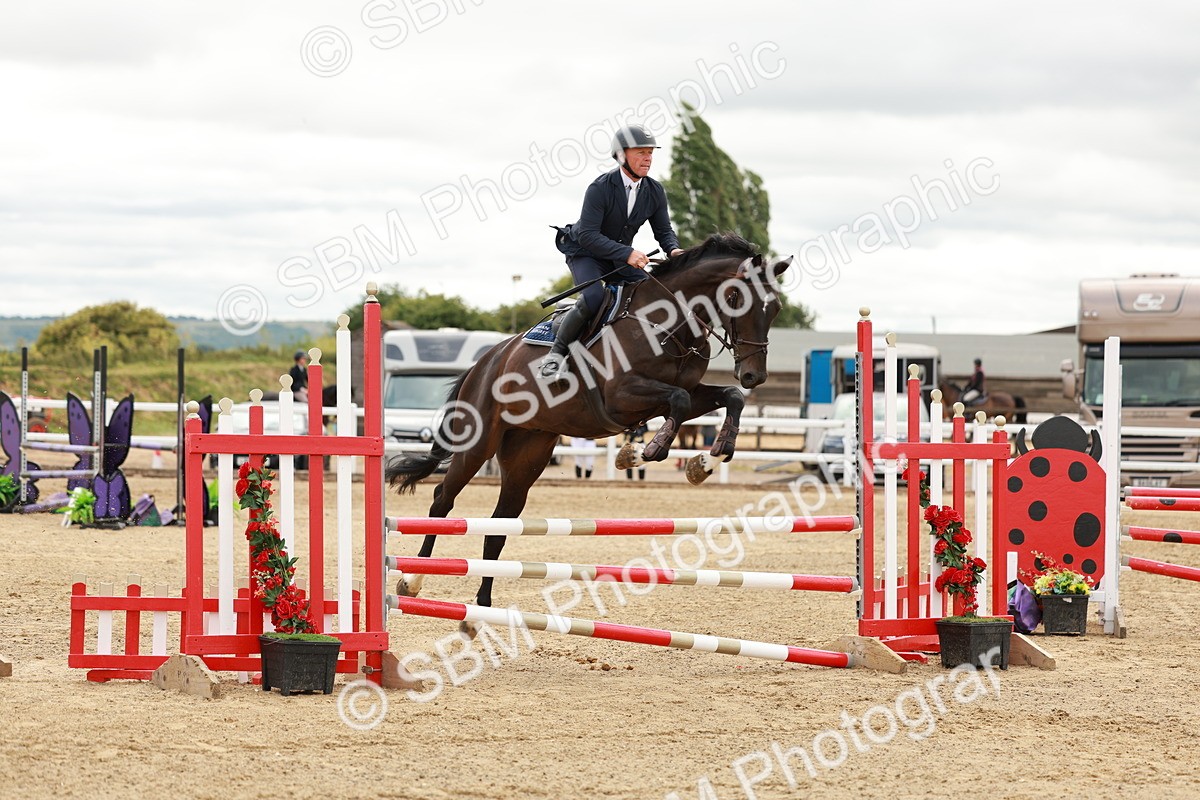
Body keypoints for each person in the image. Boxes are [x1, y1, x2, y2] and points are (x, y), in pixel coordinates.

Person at [540, 124, 686, 383]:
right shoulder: (600, 188)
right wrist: (628, 253)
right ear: (621, 156)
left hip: (617, 256)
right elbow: (588, 235)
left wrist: (674, 250)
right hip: (584, 251)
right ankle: (555, 355)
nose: (648, 159)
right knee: (595, 296)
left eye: (650, 153)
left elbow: (663, 230)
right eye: (641, 152)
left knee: (651, 296)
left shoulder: (654, 191)